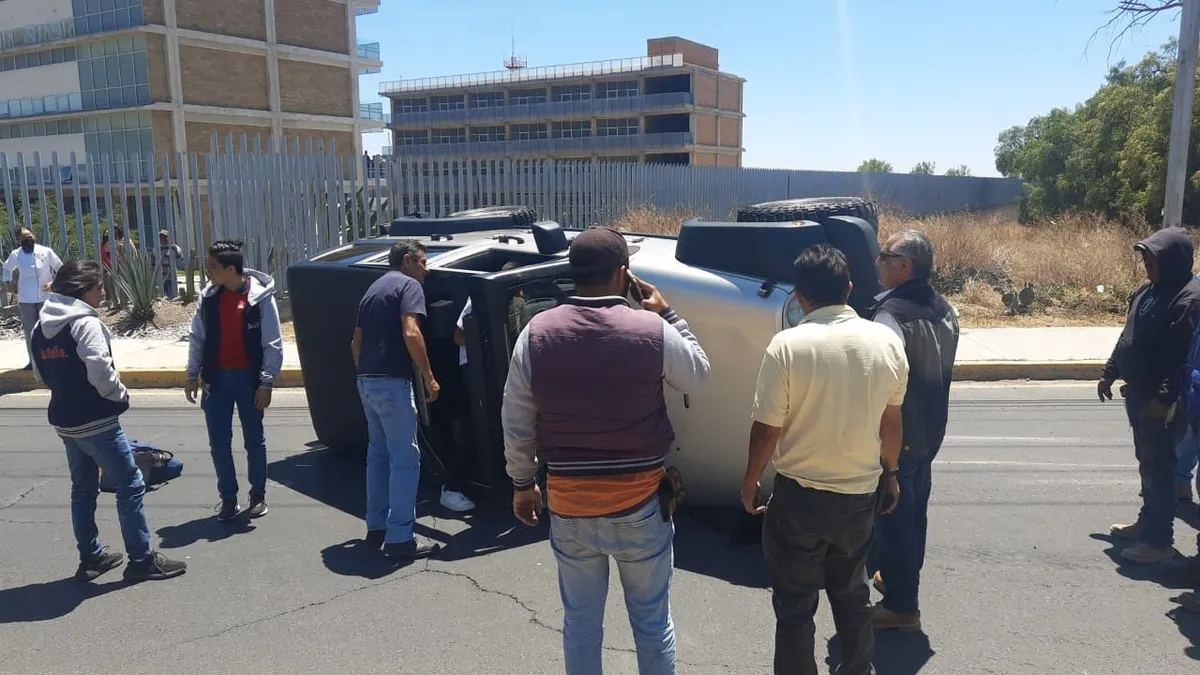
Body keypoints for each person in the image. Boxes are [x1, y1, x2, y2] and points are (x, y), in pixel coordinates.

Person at [503, 226, 710, 675]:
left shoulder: (536, 333)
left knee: (580, 624)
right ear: (624, 273)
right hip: (639, 505)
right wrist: (668, 314)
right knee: (652, 624)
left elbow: (516, 418)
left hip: (569, 504)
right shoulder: (650, 329)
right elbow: (698, 375)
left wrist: (523, 484)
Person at [742, 243, 908, 675]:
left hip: (799, 498)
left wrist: (749, 483)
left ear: (800, 296)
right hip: (858, 496)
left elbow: (767, 429)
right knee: (852, 595)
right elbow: (891, 423)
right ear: (850, 288)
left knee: (795, 605)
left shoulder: (787, 346)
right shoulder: (887, 342)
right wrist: (891, 473)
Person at [31, 260, 187, 582]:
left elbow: (38, 373)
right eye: (99, 286)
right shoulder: (84, 324)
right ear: (83, 289)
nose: (103, 291)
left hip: (65, 421)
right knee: (130, 483)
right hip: (97, 421)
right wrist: (120, 396)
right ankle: (142, 559)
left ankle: (91, 557)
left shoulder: (39, 327)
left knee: (83, 488)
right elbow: (100, 370)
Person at [868, 229, 959, 633]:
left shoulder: (891, 316)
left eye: (884, 257)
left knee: (894, 517)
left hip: (899, 436)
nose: (878, 263)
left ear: (905, 267)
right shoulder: (945, 308)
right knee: (914, 513)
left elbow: (882, 388)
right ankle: (898, 577)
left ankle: (903, 606)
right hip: (930, 433)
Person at [1100, 227, 1200, 564]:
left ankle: (1158, 542)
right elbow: (1128, 333)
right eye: (1145, 258)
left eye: (1152, 259)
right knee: (1148, 464)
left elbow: (1184, 355)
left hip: (1161, 399)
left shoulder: (1188, 298)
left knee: (1160, 467)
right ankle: (1148, 522)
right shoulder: (1147, 291)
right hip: (1139, 393)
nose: (1146, 265)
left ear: (1171, 261)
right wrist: (1110, 370)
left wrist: (1165, 398)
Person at [351, 239, 442, 560]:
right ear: (407, 261)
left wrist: (366, 375)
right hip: (392, 383)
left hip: (367, 381)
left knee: (378, 456)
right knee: (405, 460)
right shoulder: (409, 286)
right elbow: (411, 332)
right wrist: (429, 375)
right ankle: (401, 538)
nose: (426, 271)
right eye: (423, 263)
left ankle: (376, 526)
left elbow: (356, 343)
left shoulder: (373, 289)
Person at [184, 240, 285, 523]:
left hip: (249, 382)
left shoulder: (260, 298)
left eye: (213, 267)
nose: (208, 272)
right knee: (219, 442)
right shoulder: (208, 298)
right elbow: (198, 338)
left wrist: (266, 383)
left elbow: (273, 343)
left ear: (231, 269)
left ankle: (258, 496)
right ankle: (228, 498)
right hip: (216, 381)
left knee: (254, 440)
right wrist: (193, 375)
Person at [4, 228, 63, 370]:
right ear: (20, 241)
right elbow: (6, 269)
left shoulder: (46, 251)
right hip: (26, 299)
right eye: (24, 238)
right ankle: (33, 361)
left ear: (34, 236)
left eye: (29, 237)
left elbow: (60, 267)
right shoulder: (16, 255)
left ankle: (51, 359)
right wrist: (9, 283)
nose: (28, 240)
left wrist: (53, 283)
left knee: (48, 328)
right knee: (30, 331)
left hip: (45, 297)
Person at [155, 229, 183, 299]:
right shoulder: (156, 249)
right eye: (161, 237)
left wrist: (176, 251)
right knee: (160, 297)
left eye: (165, 237)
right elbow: (152, 264)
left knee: (171, 297)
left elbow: (180, 259)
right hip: (160, 278)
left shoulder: (175, 248)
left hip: (171, 277)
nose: (163, 239)